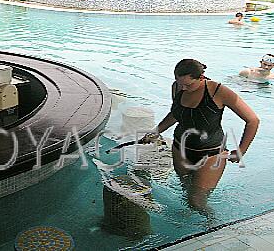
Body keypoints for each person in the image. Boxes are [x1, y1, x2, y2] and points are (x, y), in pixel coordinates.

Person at [110, 59, 259, 214]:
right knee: (186, 189)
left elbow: (252, 120)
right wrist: (156, 131)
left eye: (188, 84)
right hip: (180, 148)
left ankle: (212, 225)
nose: (183, 88)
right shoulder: (178, 87)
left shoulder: (218, 91)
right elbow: (177, 114)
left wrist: (241, 150)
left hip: (211, 153)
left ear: (201, 78)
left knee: (197, 201)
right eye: (179, 83)